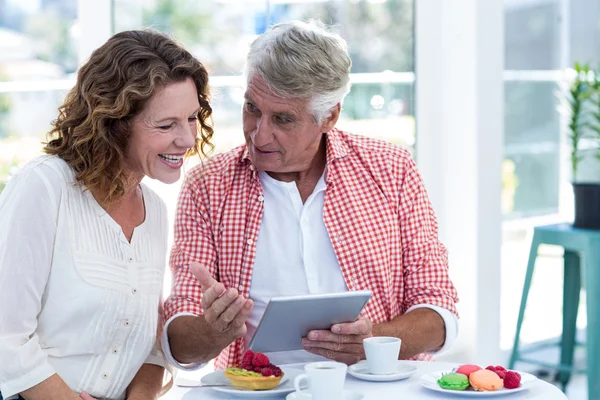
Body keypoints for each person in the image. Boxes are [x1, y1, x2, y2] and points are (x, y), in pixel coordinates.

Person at [162, 20, 459, 371]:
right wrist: (212, 332)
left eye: (283, 119)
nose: (259, 135)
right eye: (252, 108)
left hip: (377, 386)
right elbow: (179, 342)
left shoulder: (391, 170)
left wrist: (372, 342)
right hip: (262, 391)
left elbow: (440, 311)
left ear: (329, 115)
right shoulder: (207, 187)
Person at [0, 30, 213, 400]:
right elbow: (6, 337)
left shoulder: (155, 212)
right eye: (166, 125)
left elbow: (148, 345)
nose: (187, 139)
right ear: (114, 123)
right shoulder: (45, 187)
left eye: (192, 118)